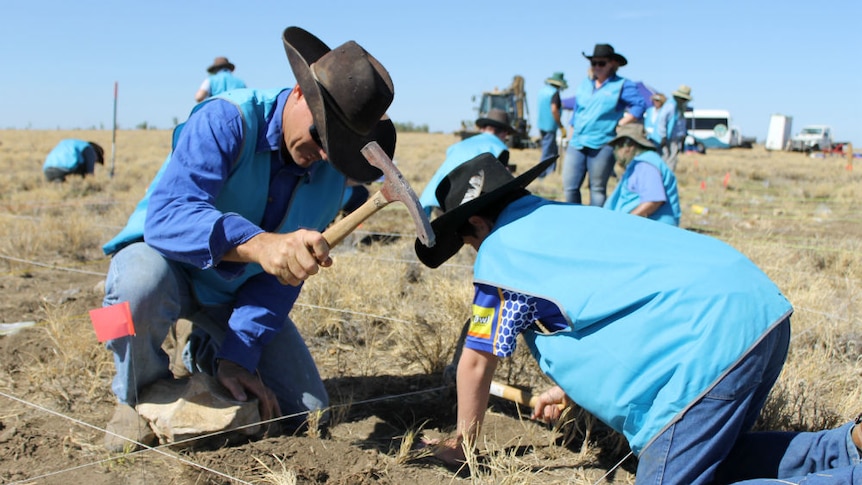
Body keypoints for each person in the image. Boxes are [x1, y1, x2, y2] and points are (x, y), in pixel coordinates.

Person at [415, 153, 862, 484]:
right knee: (716, 462)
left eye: (466, 240)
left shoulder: (501, 252)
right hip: (758, 310)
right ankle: (846, 447)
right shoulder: (563, 217)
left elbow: (477, 361)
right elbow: (613, 304)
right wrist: (571, 391)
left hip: (704, 349)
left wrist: (463, 446)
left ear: (475, 222)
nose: (473, 251)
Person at [99, 26, 396, 452]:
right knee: (131, 295)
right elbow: (166, 219)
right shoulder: (226, 118)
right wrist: (261, 244)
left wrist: (239, 357)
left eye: (340, 148)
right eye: (320, 135)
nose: (326, 155)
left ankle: (205, 350)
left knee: (307, 412)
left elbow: (280, 281)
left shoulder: (331, 177)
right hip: (164, 263)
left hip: (231, 294)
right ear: (298, 93)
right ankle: (130, 395)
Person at [561, 44, 648, 206]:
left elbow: (639, 105)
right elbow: (578, 109)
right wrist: (571, 132)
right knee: (570, 187)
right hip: (577, 141)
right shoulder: (585, 84)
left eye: (601, 63)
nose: (596, 67)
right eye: (593, 63)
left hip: (602, 143)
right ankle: (573, 220)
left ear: (612, 64)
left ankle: (596, 224)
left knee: (597, 188)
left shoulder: (622, 85)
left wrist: (622, 122)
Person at [418, 108, 514, 217]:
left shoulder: (461, 144)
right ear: (504, 133)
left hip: (439, 197)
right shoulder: (499, 148)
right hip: (463, 204)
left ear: (483, 128)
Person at [604, 124, 680, 225]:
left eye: (618, 146)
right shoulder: (638, 163)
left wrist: (626, 221)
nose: (616, 152)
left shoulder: (646, 165)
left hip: (653, 228)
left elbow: (653, 201)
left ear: (629, 146)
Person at [536, 72, 567, 177]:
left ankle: (548, 173)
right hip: (550, 126)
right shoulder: (554, 93)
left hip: (541, 124)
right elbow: (554, 109)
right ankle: (542, 174)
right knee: (548, 152)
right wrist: (560, 125)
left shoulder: (542, 91)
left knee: (550, 149)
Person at [662, 84, 693, 172]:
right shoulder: (671, 106)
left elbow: (681, 124)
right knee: (668, 159)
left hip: (675, 138)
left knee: (672, 159)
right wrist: (663, 136)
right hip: (668, 137)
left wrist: (683, 135)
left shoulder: (679, 108)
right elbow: (662, 121)